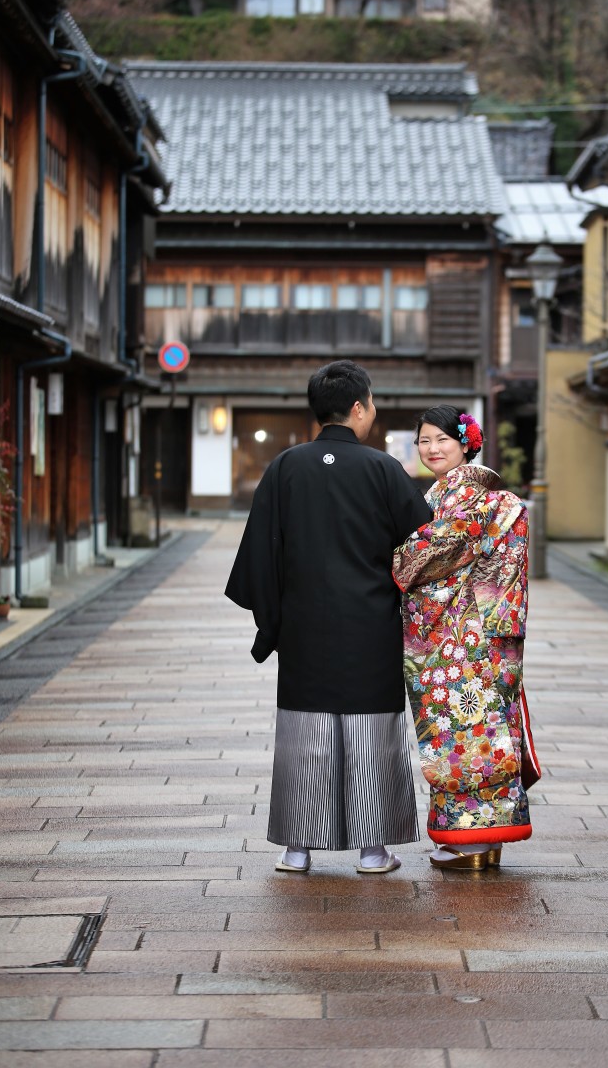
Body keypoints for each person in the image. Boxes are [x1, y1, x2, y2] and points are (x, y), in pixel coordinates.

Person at [225, 360, 432, 874]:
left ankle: (297, 848)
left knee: (306, 733)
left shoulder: (285, 466)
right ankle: (372, 850)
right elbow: (425, 549)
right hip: (371, 626)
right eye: (373, 403)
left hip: (304, 626)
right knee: (370, 733)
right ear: (359, 408)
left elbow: (260, 554)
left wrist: (273, 621)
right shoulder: (385, 469)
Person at [393, 405, 540, 871]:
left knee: (472, 733)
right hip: (458, 634)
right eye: (424, 441)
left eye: (442, 439)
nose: (432, 449)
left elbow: (426, 555)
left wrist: (395, 556)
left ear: (465, 443)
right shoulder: (443, 493)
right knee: (459, 733)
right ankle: (468, 839)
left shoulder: (479, 495)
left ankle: (477, 841)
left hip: (467, 637)